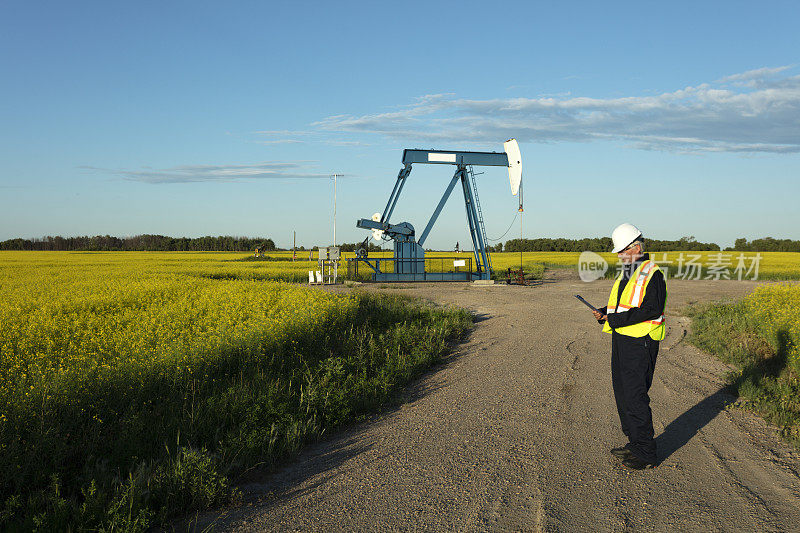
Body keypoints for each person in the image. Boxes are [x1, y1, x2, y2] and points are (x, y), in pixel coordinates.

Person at [591, 223, 667, 470]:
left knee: (635, 396)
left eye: (622, 251)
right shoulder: (628, 272)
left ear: (635, 248)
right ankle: (634, 443)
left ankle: (646, 452)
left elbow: (651, 309)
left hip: (641, 341)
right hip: (623, 338)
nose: (620, 256)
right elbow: (624, 305)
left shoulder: (651, 273)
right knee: (623, 394)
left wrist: (615, 319)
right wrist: (605, 312)